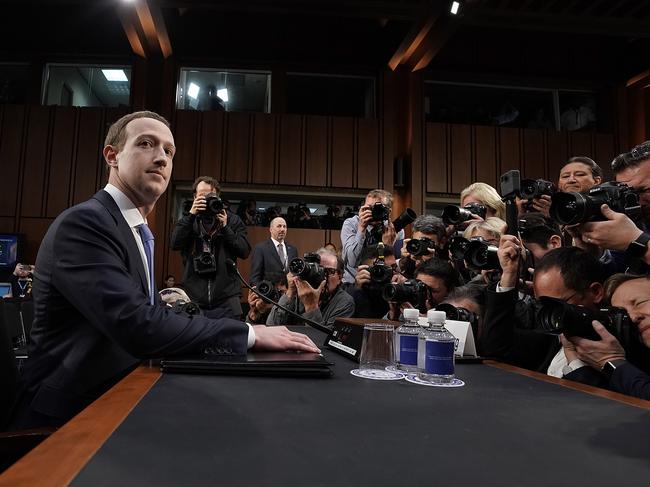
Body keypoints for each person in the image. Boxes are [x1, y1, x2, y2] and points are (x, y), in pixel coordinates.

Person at [7, 111, 318, 430]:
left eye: (169, 151)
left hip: (112, 396)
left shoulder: (135, 228)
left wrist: (252, 324)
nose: (161, 158)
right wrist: (249, 334)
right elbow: (138, 323)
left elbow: (152, 309)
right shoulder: (86, 223)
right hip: (65, 416)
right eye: (146, 144)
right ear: (112, 156)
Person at [170, 175, 251, 317]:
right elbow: (175, 243)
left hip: (227, 298)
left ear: (218, 196)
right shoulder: (188, 220)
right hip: (194, 298)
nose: (206, 200)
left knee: (230, 338)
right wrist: (191, 216)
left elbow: (244, 251)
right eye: (202, 195)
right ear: (194, 197)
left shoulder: (232, 220)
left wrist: (225, 228)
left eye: (210, 195)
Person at [562, 273, 650, 400]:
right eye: (624, 314)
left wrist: (613, 362)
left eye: (639, 303)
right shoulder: (639, 362)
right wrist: (576, 360)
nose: (633, 317)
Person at [577, 141, 650, 270]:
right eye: (625, 193)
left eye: (644, 190)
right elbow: (614, 275)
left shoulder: (632, 233)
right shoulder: (634, 222)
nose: (634, 201)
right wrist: (591, 249)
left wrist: (636, 241)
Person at [266, 248, 354, 329]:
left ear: (340, 277)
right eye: (316, 271)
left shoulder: (345, 302)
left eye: (328, 272)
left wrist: (311, 306)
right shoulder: (298, 292)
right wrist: (290, 293)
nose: (322, 276)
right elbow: (271, 327)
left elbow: (323, 341)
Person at [341, 189, 403, 286]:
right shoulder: (351, 224)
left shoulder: (394, 230)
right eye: (369, 208)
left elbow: (396, 266)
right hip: (353, 283)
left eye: (377, 208)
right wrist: (361, 229)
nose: (372, 212)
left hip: (382, 283)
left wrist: (387, 247)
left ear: (389, 211)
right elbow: (352, 262)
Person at [349, 244, 397, 319]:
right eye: (380, 271)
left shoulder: (397, 291)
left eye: (393, 268)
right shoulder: (350, 295)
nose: (388, 274)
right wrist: (358, 291)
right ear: (365, 270)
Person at [249, 217, 298, 286]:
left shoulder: (293, 250)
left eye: (284, 226)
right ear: (271, 229)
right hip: (269, 295)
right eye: (279, 226)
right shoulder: (261, 249)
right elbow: (254, 278)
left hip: (289, 294)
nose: (282, 229)